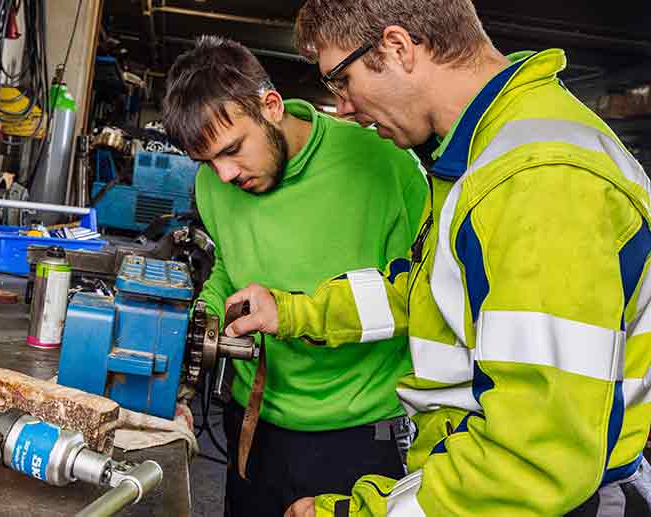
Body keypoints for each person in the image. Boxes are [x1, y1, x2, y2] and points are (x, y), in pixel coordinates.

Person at [223, 1, 651, 515]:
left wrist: (361, 511)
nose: (345, 107)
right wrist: (291, 312)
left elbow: (532, 460)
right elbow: (422, 292)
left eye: (343, 78)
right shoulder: (482, 152)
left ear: (398, 47)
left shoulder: (539, 178)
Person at [162, 35, 428, 517]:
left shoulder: (385, 166)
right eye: (207, 162)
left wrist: (292, 313)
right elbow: (230, 262)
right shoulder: (214, 184)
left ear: (271, 105)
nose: (223, 175)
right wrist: (209, 308)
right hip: (253, 424)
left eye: (233, 149)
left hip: (356, 434)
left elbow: (420, 298)